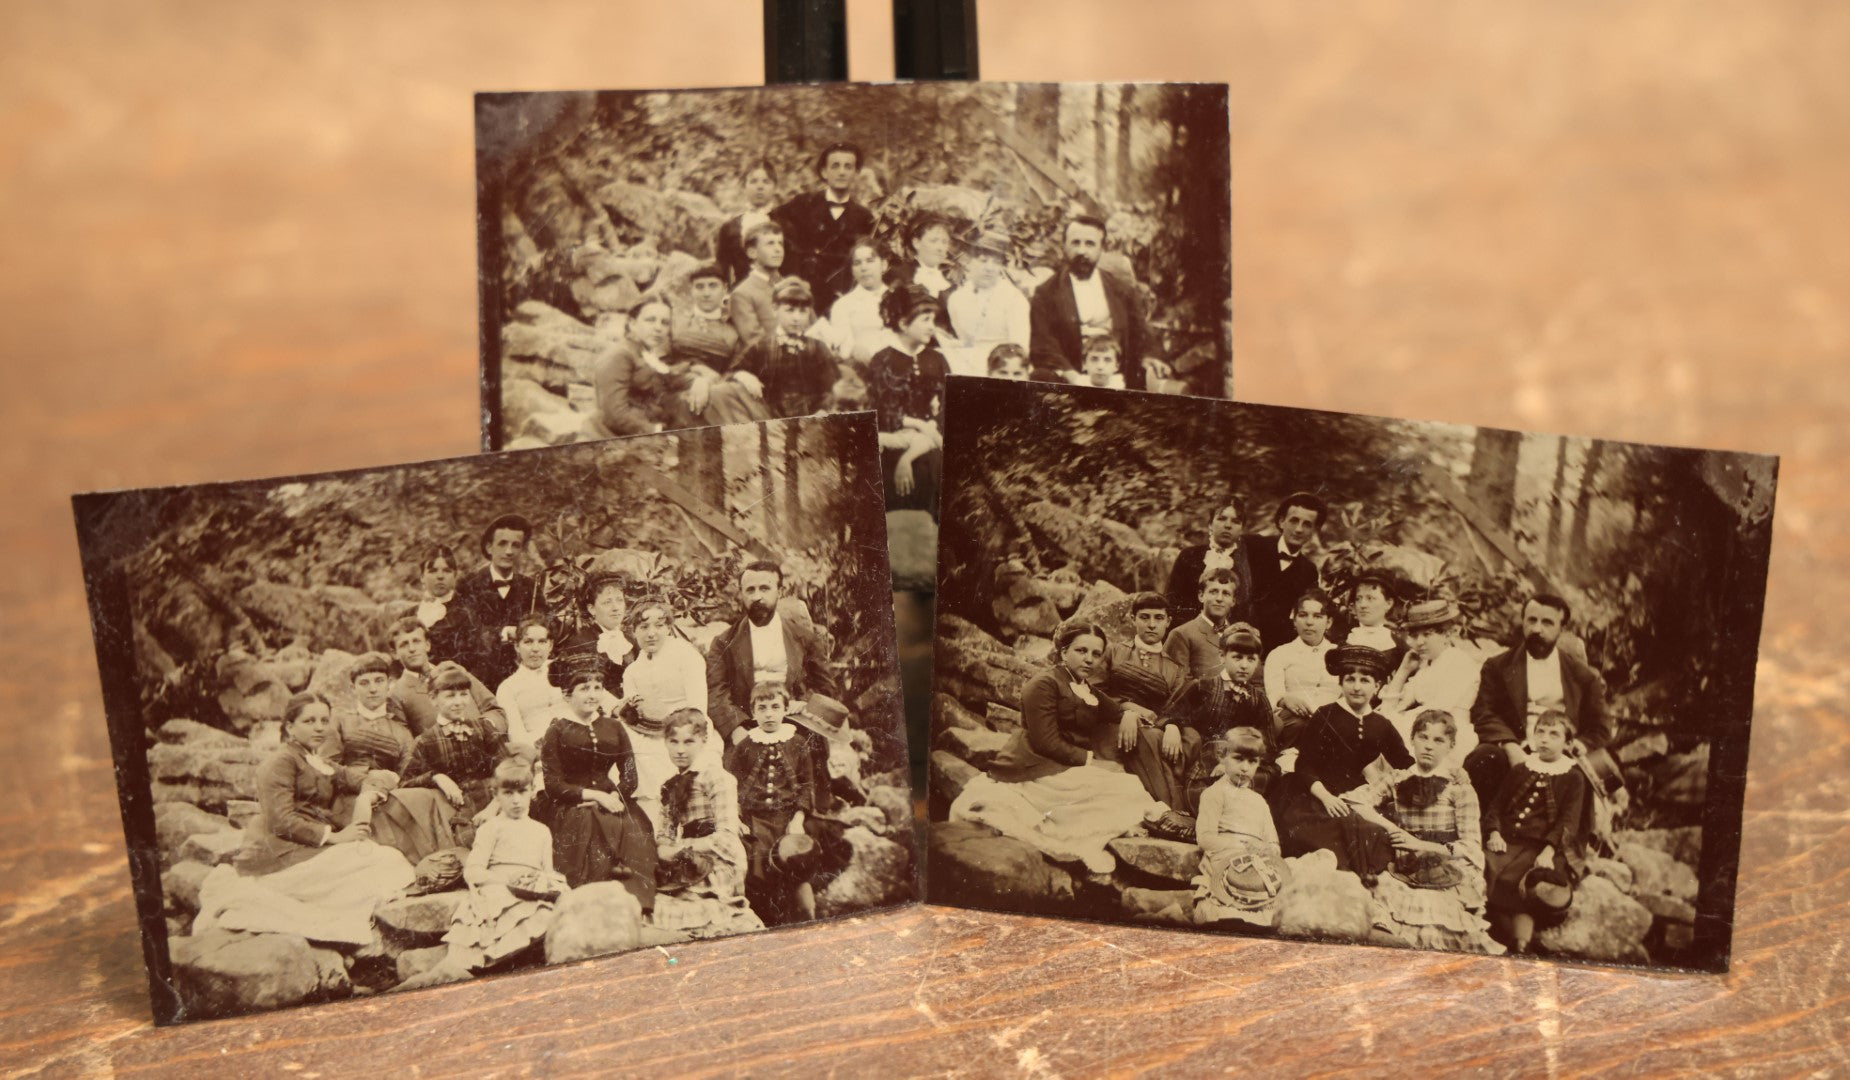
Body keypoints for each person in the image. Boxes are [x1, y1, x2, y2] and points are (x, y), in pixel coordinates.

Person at [194, 692, 415, 946]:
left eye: (324, 721)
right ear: (290, 727)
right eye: (309, 721)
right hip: (279, 853)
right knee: (384, 861)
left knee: (387, 861)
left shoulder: (317, 761)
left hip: (307, 847)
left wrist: (367, 796)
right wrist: (334, 837)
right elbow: (281, 821)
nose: (319, 728)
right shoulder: (280, 762)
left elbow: (361, 778)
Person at [947, 620, 1165, 873]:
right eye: (1081, 651)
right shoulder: (1044, 684)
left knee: (1125, 786)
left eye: (1096, 654)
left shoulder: (1085, 688)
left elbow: (1115, 709)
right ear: (1063, 652)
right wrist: (1093, 760)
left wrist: (1129, 715)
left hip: (1064, 764)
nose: (1089, 660)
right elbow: (1045, 742)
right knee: (1123, 786)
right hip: (1034, 766)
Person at [1343, 710, 1501, 954]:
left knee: (1432, 921)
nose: (1429, 746)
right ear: (1413, 739)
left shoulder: (1459, 787)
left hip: (1446, 868)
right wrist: (1393, 829)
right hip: (1404, 866)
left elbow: (1470, 846)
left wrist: (1420, 845)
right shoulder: (1397, 778)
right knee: (1378, 907)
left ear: (1450, 746)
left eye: (1438, 740)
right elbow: (1355, 801)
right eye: (1423, 737)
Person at [1463, 594, 1610, 819]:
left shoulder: (1583, 676)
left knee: (1576, 777)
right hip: (1514, 746)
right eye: (1531, 620)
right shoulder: (1498, 666)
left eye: (1547, 622)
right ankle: (1481, 829)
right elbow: (1483, 712)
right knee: (1484, 757)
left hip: (1561, 750)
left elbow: (1601, 728)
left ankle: (1561, 846)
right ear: (1522, 622)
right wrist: (1509, 744)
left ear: (1562, 628)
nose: (1537, 629)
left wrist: (1575, 744)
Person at [1273, 645, 1410, 875]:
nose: (1356, 687)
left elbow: (1405, 762)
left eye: (1365, 680)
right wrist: (1326, 797)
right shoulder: (1325, 715)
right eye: (1350, 679)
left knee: (1374, 833)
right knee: (1332, 831)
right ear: (1341, 683)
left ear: (1377, 686)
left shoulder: (1381, 725)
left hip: (1354, 797)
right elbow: (1304, 765)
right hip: (1312, 795)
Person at [725, 681, 853, 925]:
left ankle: (803, 913)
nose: (769, 714)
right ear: (753, 712)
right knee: (757, 864)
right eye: (762, 708)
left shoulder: (798, 744)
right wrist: (736, 817)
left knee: (799, 857)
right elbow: (731, 783)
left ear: (785, 710)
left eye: (775, 707)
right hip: (754, 819)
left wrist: (799, 818)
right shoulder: (744, 746)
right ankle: (766, 916)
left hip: (787, 817)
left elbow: (806, 786)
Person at [539, 658, 658, 908]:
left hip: (613, 800)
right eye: (584, 689)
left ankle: (635, 903)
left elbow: (629, 772)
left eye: (597, 688)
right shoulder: (557, 730)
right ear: (567, 695)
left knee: (634, 831)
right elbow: (552, 783)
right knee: (587, 827)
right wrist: (593, 796)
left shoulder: (613, 726)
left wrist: (615, 796)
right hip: (572, 805)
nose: (592, 695)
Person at [433, 758, 569, 977]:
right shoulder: (491, 828)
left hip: (532, 888)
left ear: (532, 791)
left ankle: (533, 957)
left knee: (558, 907)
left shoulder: (542, 830)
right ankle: (503, 959)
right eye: (508, 793)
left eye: (522, 792)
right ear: (495, 795)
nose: (516, 800)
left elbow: (548, 871)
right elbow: (473, 871)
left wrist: (543, 882)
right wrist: (505, 881)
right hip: (498, 887)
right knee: (505, 906)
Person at [1485, 710, 1589, 954]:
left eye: (1554, 734)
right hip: (1507, 842)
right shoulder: (1522, 769)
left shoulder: (1573, 777)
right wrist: (1494, 833)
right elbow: (1497, 806)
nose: (1544, 739)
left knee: (1527, 883)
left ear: (1568, 743)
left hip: (1543, 848)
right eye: (1540, 732)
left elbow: (1568, 822)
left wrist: (1549, 851)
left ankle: (1520, 944)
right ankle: (1496, 936)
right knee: (1484, 866)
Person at [652, 708, 761, 937]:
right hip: (687, 861)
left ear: (703, 740)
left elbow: (726, 838)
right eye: (673, 742)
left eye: (689, 741)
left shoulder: (716, 777)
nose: (680, 750)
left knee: (706, 912)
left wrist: (679, 848)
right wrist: (667, 850)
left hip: (720, 859)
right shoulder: (669, 785)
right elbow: (663, 839)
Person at [619, 596, 725, 831]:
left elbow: (697, 707)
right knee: (634, 760)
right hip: (647, 734)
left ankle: (686, 832)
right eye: (643, 627)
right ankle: (653, 835)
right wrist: (629, 710)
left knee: (687, 764)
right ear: (633, 631)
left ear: (669, 627)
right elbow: (631, 715)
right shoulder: (634, 670)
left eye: (659, 625)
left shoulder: (687, 657)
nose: (651, 633)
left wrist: (668, 724)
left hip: (687, 729)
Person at [705, 560, 839, 745]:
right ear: (741, 595)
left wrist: (805, 703)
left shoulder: (805, 638)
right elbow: (715, 692)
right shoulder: (723, 643)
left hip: (798, 724)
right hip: (746, 729)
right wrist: (735, 729)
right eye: (750, 590)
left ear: (780, 592)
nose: (757, 596)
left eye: (765, 588)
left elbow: (826, 686)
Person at [1027, 215, 1159, 389]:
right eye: (1075, 243)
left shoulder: (1122, 290)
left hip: (1116, 374)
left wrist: (1149, 356)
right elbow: (1043, 344)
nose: (1082, 251)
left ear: (1101, 249)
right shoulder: (1046, 293)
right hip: (1070, 376)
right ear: (1064, 246)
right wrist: (1074, 378)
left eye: (1090, 244)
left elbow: (1141, 331)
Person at [1160, 622, 1275, 813]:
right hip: (1205, 767)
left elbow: (1268, 747)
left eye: (1251, 659)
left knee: (1262, 783)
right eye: (1237, 657)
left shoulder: (1259, 700)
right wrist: (1171, 726)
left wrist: (1235, 765)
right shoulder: (1202, 687)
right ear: (1222, 656)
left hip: (1242, 766)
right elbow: (1169, 713)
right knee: (1209, 798)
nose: (1244, 665)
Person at [1097, 592, 1191, 810]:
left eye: (1158, 618)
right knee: (1147, 739)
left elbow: (1177, 706)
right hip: (1111, 726)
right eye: (1144, 617)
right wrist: (1124, 710)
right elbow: (1094, 690)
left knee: (1156, 739)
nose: (1151, 624)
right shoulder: (1114, 651)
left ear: (1168, 622)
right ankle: (1167, 809)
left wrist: (1173, 727)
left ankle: (1169, 808)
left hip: (1153, 729)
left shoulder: (1174, 668)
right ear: (1133, 619)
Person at [400, 667, 512, 841]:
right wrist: (436, 777)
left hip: (498, 803)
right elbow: (404, 783)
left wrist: (495, 806)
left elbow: (509, 769)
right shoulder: (426, 741)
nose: (458, 702)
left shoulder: (483, 728)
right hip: (461, 815)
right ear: (433, 698)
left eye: (464, 694)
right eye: (450, 696)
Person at [1190, 728, 1288, 927]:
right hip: (1225, 857)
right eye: (1238, 759)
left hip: (1257, 860)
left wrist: (1267, 850)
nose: (1245, 768)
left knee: (1275, 882)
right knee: (1228, 898)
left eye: (1252, 762)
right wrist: (1240, 845)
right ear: (1223, 757)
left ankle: (1259, 917)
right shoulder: (1214, 793)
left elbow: (1273, 842)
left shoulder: (1259, 801)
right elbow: (1205, 838)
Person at [869, 283, 949, 512]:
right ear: (904, 324)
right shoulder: (882, 360)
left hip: (931, 437)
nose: (931, 327)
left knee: (937, 464)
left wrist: (932, 425)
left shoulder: (936, 359)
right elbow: (883, 411)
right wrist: (920, 425)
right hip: (895, 438)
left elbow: (948, 402)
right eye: (925, 320)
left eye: (933, 320)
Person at [770, 142, 875, 312]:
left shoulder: (864, 217)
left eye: (848, 167)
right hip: (802, 297)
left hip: (843, 300)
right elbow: (772, 234)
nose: (842, 172)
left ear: (856, 173)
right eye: (835, 166)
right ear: (824, 172)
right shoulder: (802, 204)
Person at [718, 277, 840, 422]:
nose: (796, 318)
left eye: (803, 312)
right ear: (775, 309)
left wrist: (823, 410)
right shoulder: (760, 346)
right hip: (769, 418)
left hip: (812, 418)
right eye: (790, 310)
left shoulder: (817, 347)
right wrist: (742, 375)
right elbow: (729, 373)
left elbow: (833, 387)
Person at [1378, 598, 1482, 767]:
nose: (1419, 642)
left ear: (1447, 634)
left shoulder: (1460, 662)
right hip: (1422, 727)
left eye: (1427, 634)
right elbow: (1391, 707)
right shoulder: (1425, 667)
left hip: (1449, 733)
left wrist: (1396, 719)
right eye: (1415, 635)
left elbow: (1440, 709)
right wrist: (1404, 670)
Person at [594, 297, 718, 437]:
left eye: (665, 323)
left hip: (647, 431)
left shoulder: (646, 354)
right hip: (613, 436)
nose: (658, 328)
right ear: (632, 323)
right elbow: (614, 414)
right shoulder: (620, 355)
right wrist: (658, 432)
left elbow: (673, 378)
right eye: (650, 320)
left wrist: (700, 381)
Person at [453, 514, 539, 690]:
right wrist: (501, 633)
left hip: (520, 677)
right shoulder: (467, 585)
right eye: (502, 544)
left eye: (516, 545)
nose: (509, 551)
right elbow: (463, 634)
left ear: (522, 550)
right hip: (479, 678)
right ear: (489, 547)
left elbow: (543, 623)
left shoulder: (531, 587)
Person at [387, 617, 507, 738]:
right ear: (395, 653)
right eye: (404, 645)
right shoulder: (397, 695)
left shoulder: (454, 670)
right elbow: (406, 746)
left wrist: (483, 729)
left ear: (427, 645)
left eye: (416, 641)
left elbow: (496, 711)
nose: (412, 649)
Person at [1242, 492, 1326, 656]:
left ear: (1314, 530)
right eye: (1294, 521)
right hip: (1234, 640)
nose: (1299, 529)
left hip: (1272, 651)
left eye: (1307, 524)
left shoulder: (1308, 571)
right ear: (1281, 521)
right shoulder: (1252, 546)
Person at [944, 230, 1029, 377]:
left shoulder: (1014, 299)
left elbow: (1020, 349)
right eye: (983, 260)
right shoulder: (957, 298)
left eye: (996, 262)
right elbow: (965, 340)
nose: (989, 268)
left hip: (1002, 369)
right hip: (967, 365)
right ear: (969, 261)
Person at [1263, 591, 1341, 748]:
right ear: (1294, 619)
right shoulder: (1280, 653)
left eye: (1317, 616)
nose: (1309, 622)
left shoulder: (1340, 654)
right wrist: (1284, 699)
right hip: (1294, 721)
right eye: (1303, 615)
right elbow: (1273, 694)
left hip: (1334, 722)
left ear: (1329, 622)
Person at [1165, 499, 1253, 627]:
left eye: (1235, 521)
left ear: (1241, 529)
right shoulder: (1189, 556)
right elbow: (1172, 602)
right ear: (1210, 524)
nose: (1228, 525)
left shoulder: (1249, 561)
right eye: (1221, 519)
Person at [554, 570, 633, 694]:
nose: (615, 608)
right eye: (607, 602)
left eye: (619, 600)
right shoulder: (581, 643)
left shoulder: (632, 640)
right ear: (592, 609)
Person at [819, 238, 895, 364]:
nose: (863, 268)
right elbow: (844, 346)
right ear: (852, 271)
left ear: (884, 265)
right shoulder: (843, 305)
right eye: (857, 263)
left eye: (870, 261)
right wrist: (854, 350)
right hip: (861, 367)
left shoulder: (898, 298)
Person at [496, 615, 563, 750]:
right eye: (528, 642)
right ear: (516, 646)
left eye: (542, 641)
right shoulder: (508, 688)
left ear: (550, 645)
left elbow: (600, 695)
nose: (535, 649)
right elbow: (517, 737)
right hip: (538, 751)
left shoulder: (563, 668)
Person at [1164, 566, 1243, 679]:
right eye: (1213, 592)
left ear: (1233, 601)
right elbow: (1179, 686)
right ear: (1201, 596)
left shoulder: (1240, 635)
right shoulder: (1182, 635)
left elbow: (1256, 681)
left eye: (1226, 593)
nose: (1219, 598)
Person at [713, 159, 779, 289]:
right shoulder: (730, 228)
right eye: (753, 181)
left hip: (779, 298)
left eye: (766, 182)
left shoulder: (786, 223)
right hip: (741, 296)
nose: (760, 187)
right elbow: (721, 269)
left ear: (775, 187)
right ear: (743, 187)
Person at [669, 263, 741, 370]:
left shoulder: (733, 332)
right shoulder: (675, 322)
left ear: (725, 289)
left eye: (713, 286)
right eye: (699, 287)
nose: (706, 293)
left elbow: (733, 370)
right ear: (691, 290)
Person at [411, 544, 472, 669]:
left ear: (455, 576)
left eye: (447, 571)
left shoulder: (467, 613)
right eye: (432, 571)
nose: (440, 576)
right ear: (422, 577)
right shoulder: (409, 615)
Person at [727, 221, 785, 350]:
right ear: (752, 253)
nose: (778, 249)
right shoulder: (742, 294)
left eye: (780, 243)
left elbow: (814, 327)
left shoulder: (791, 286)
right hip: (772, 361)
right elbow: (754, 341)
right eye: (770, 243)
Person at [1344, 569, 1402, 656]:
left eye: (1370, 598)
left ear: (1388, 603)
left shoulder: (1398, 647)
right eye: (1358, 599)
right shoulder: (1347, 641)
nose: (1362, 605)